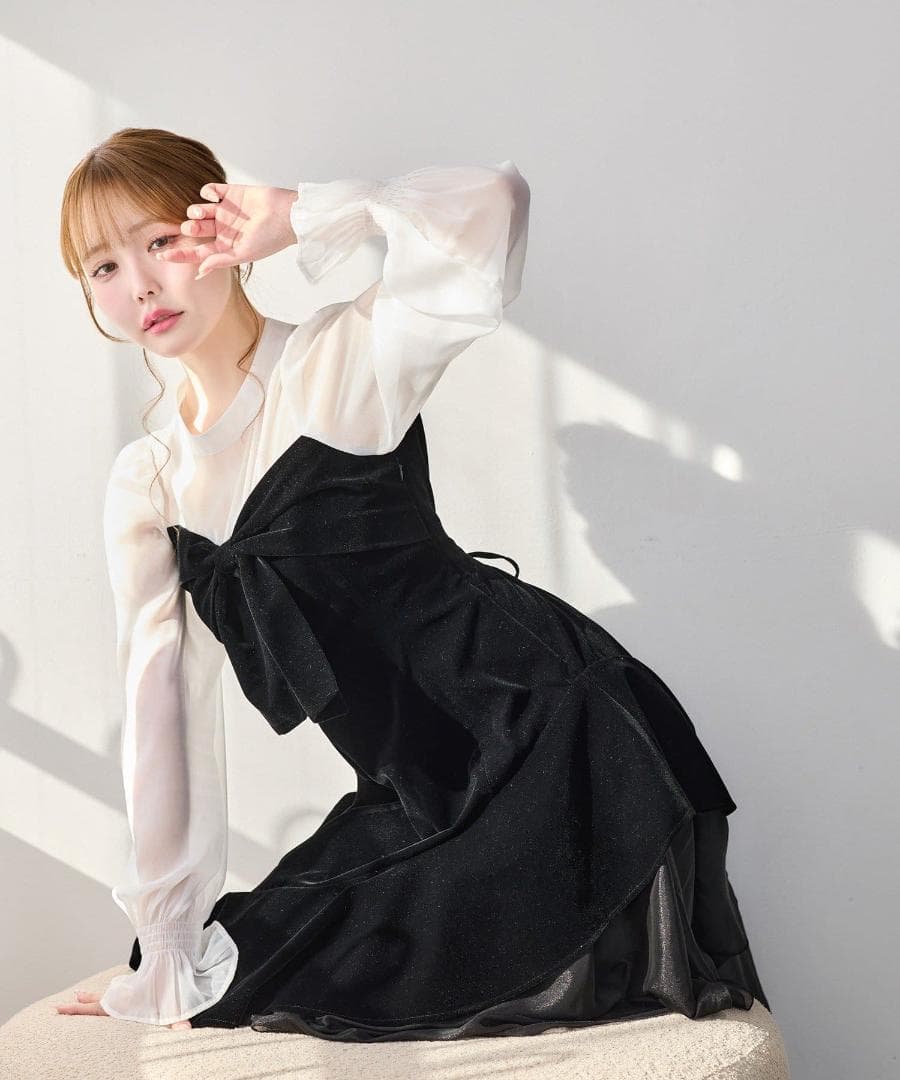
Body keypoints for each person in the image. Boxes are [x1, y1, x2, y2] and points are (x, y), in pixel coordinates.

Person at [53, 127, 769, 1040]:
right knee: (246, 964)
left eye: (160, 241)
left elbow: (491, 207)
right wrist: (163, 947)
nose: (142, 286)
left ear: (219, 226)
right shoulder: (147, 482)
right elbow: (163, 711)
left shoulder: (340, 359)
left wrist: (303, 214)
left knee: (381, 984)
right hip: (415, 797)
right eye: (104, 267)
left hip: (557, 741)